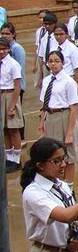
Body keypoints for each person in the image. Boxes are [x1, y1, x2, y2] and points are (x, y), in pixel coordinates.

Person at [39, 51, 78, 185]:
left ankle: (69, 185)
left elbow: (73, 108)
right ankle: (57, 183)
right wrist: (41, 124)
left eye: (57, 61)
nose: (53, 64)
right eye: (51, 61)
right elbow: (44, 104)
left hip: (64, 117)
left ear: (62, 64)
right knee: (52, 153)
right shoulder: (47, 80)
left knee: (68, 156)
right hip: (50, 117)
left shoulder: (69, 82)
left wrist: (70, 132)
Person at [1, 22, 27, 146]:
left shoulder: (17, 50)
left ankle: (20, 142)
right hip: (3, 91)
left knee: (14, 123)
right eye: (3, 33)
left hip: (14, 89)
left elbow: (19, 70)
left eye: (7, 33)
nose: (5, 35)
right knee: (5, 127)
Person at [0, 37, 24, 172]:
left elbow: (17, 86)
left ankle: (17, 159)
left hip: (10, 96)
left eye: (4, 49)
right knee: (4, 129)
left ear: (8, 49)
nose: (1, 51)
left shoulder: (13, 64)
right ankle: (9, 157)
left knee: (13, 129)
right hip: (0, 95)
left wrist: (13, 105)